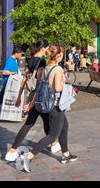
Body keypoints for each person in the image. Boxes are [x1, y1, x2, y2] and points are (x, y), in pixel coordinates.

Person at [20, 44, 77, 172]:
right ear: (59, 56)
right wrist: (69, 88)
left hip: (49, 104)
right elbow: (58, 88)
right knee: (52, 135)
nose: (62, 56)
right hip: (56, 105)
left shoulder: (46, 68)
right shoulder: (57, 69)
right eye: (62, 53)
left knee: (65, 127)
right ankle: (29, 156)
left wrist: (31, 104)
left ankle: (66, 154)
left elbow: (39, 86)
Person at [4, 39, 62, 162]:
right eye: (47, 48)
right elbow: (40, 83)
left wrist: (20, 97)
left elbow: (24, 79)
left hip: (31, 95)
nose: (48, 51)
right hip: (38, 97)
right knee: (30, 123)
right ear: (43, 49)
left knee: (44, 121)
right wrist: (31, 104)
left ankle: (53, 144)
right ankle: (13, 150)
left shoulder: (30, 60)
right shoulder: (41, 62)